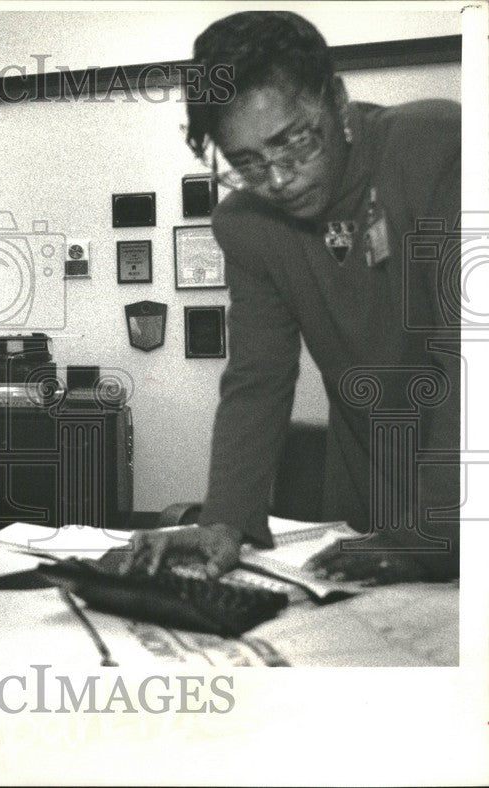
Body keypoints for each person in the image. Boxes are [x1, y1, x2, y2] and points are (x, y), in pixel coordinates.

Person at [124, 11, 460, 584]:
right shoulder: (248, 225)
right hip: (371, 492)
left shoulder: (439, 148)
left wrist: (436, 531)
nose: (278, 180)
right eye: (247, 164)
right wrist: (225, 520)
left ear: (336, 97)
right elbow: (258, 377)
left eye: (292, 144)